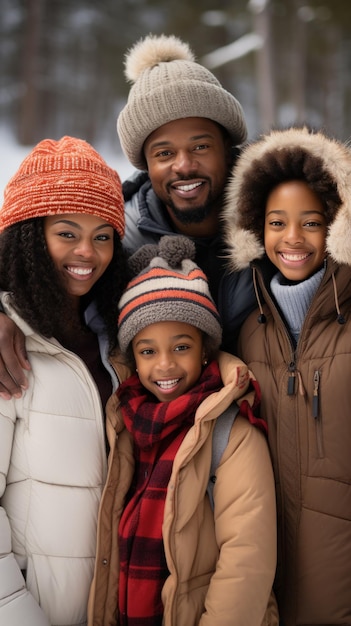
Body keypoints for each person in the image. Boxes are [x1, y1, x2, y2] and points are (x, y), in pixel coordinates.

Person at [0, 33, 257, 398]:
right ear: (146, 163)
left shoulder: (277, 225)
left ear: (228, 149)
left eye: (200, 146)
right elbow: (26, 265)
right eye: (164, 153)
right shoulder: (119, 239)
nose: (184, 165)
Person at [87, 235, 278, 626]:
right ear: (133, 359)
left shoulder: (230, 429)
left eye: (181, 347)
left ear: (205, 348)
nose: (164, 366)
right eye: (147, 351)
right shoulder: (125, 424)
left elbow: (246, 557)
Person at [221, 126, 351, 625]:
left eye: (311, 222)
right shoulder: (249, 330)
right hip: (268, 580)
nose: (292, 239)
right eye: (277, 222)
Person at [0, 136, 130, 626]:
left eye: (103, 235)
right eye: (67, 233)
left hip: (107, 606)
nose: (87, 252)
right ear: (31, 236)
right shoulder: (10, 346)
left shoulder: (116, 341)